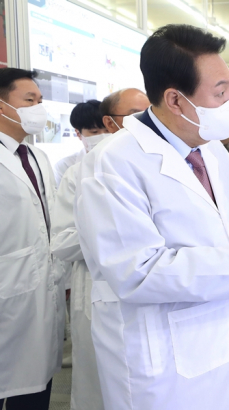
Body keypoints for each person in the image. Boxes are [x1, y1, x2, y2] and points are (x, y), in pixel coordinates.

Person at [74, 24, 229, 410]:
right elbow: (138, 271)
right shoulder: (114, 164)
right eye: (220, 93)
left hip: (223, 338)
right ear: (176, 99)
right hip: (164, 363)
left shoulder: (210, 151)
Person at [0, 68, 65, 410]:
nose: (38, 108)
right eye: (29, 100)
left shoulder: (37, 157)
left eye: (40, 101)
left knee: (37, 390)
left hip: (39, 296)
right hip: (9, 299)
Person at [51, 100, 111, 410]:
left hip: (143, 292)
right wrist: (109, 232)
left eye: (106, 128)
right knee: (95, 387)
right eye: (95, 131)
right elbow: (62, 242)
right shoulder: (74, 173)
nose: (102, 135)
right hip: (93, 290)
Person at [53, 100, 109, 186]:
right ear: (78, 133)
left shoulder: (123, 160)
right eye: (94, 132)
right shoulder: (65, 166)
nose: (103, 136)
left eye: (107, 131)